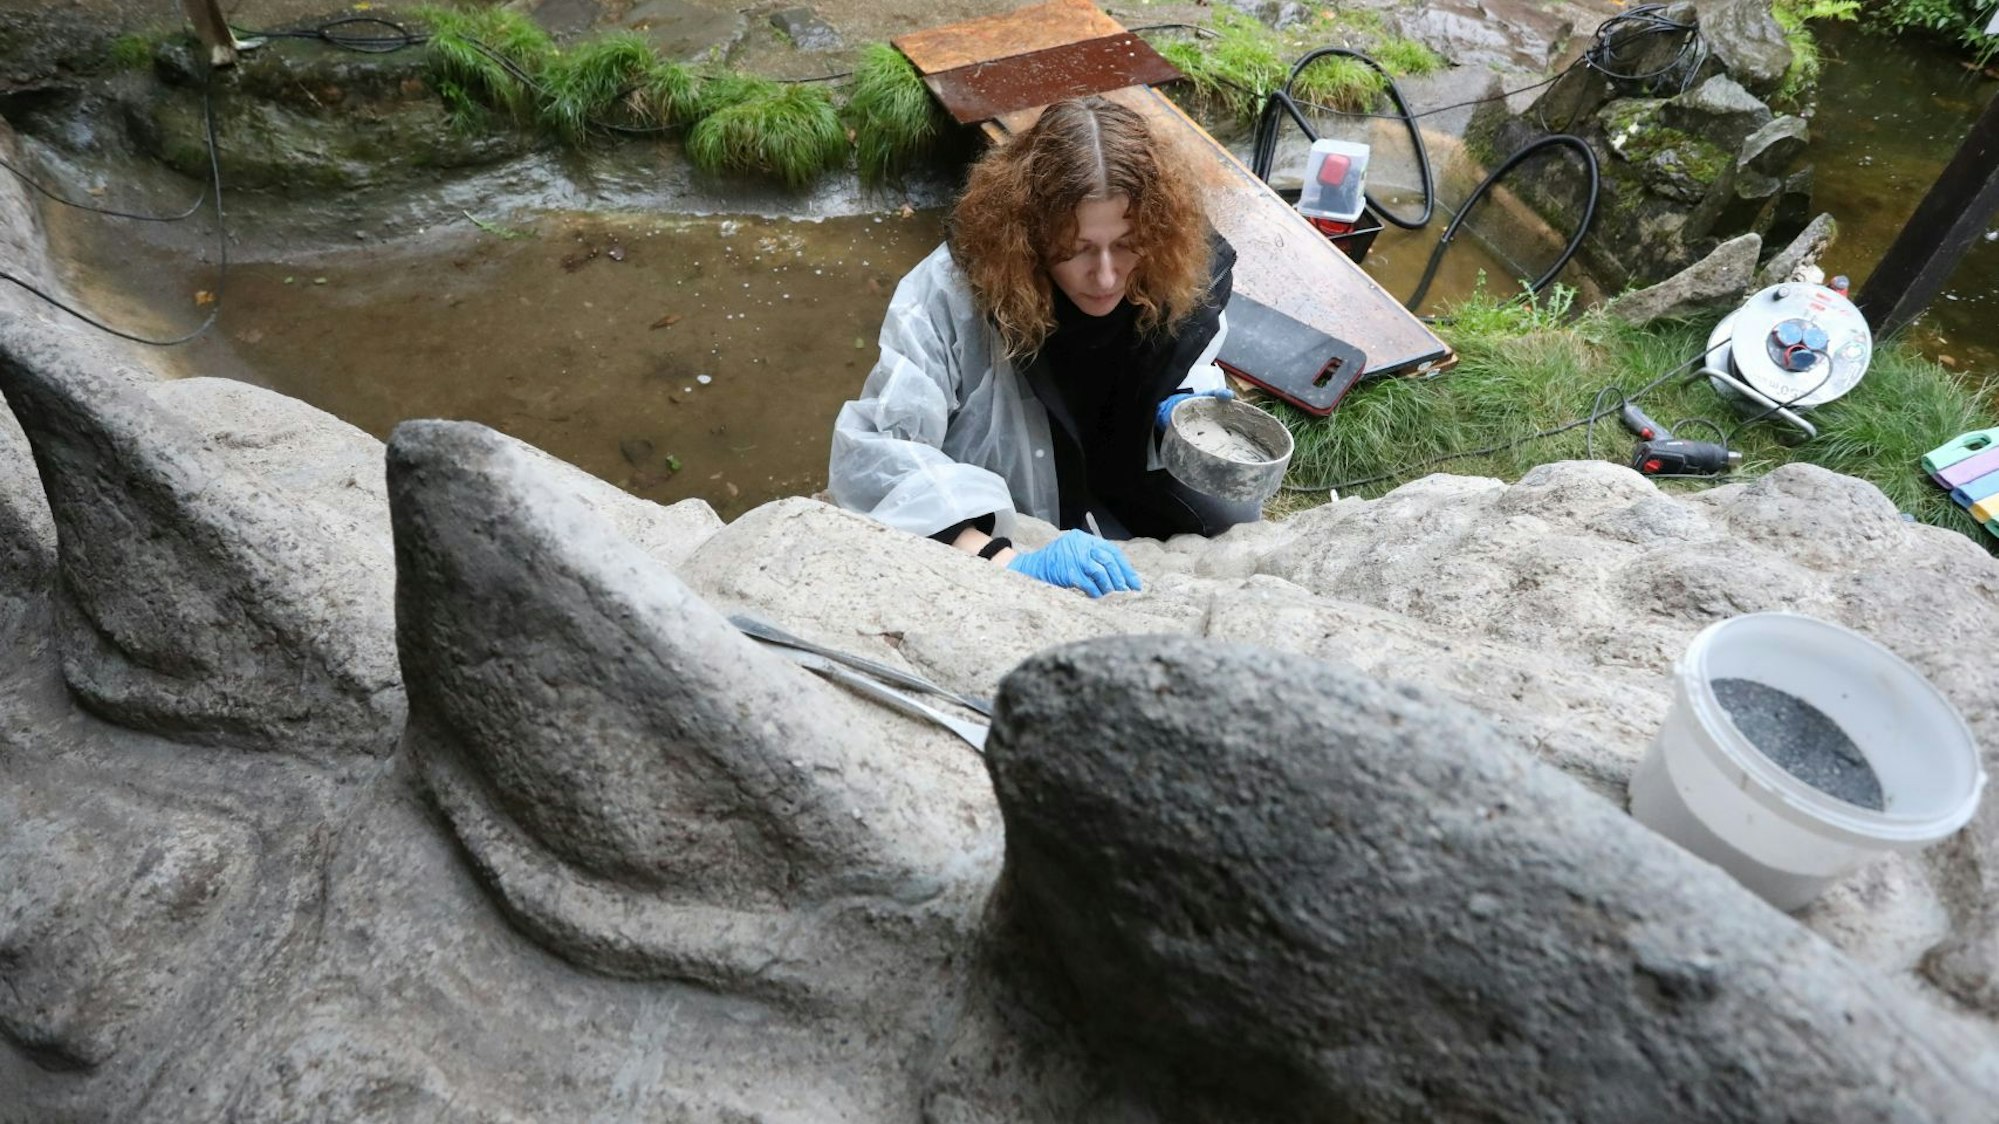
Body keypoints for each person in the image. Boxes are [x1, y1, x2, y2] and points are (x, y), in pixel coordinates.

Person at [828, 96, 1253, 598]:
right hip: (1011, 486)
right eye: (1077, 250)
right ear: (1029, 231)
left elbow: (1194, 349)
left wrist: (1185, 397)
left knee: (1236, 512)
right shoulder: (947, 292)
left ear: (1157, 226)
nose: (1107, 275)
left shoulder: (1173, 255)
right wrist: (1001, 559)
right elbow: (878, 452)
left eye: (1124, 243)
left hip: (1121, 462)